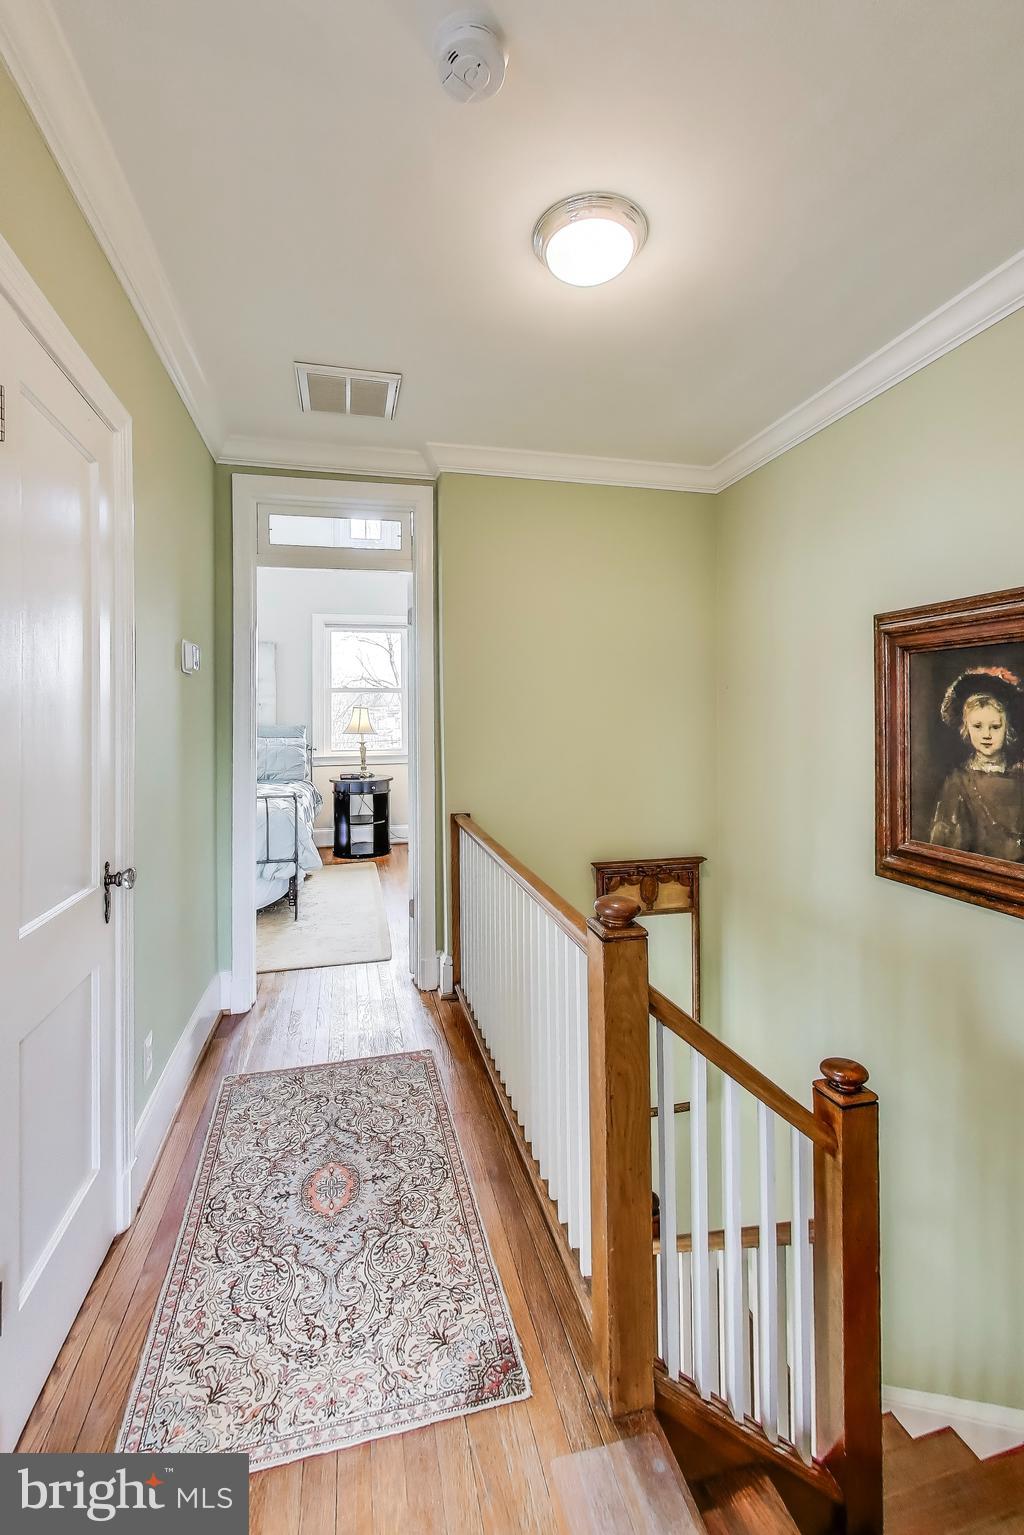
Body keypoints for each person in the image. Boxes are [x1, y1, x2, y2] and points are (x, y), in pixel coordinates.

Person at [929, 666, 1024, 860]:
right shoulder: (958, 782)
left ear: (1008, 730)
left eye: (995, 727)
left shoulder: (1020, 776)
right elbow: (943, 844)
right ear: (966, 729)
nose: (986, 735)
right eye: (978, 726)